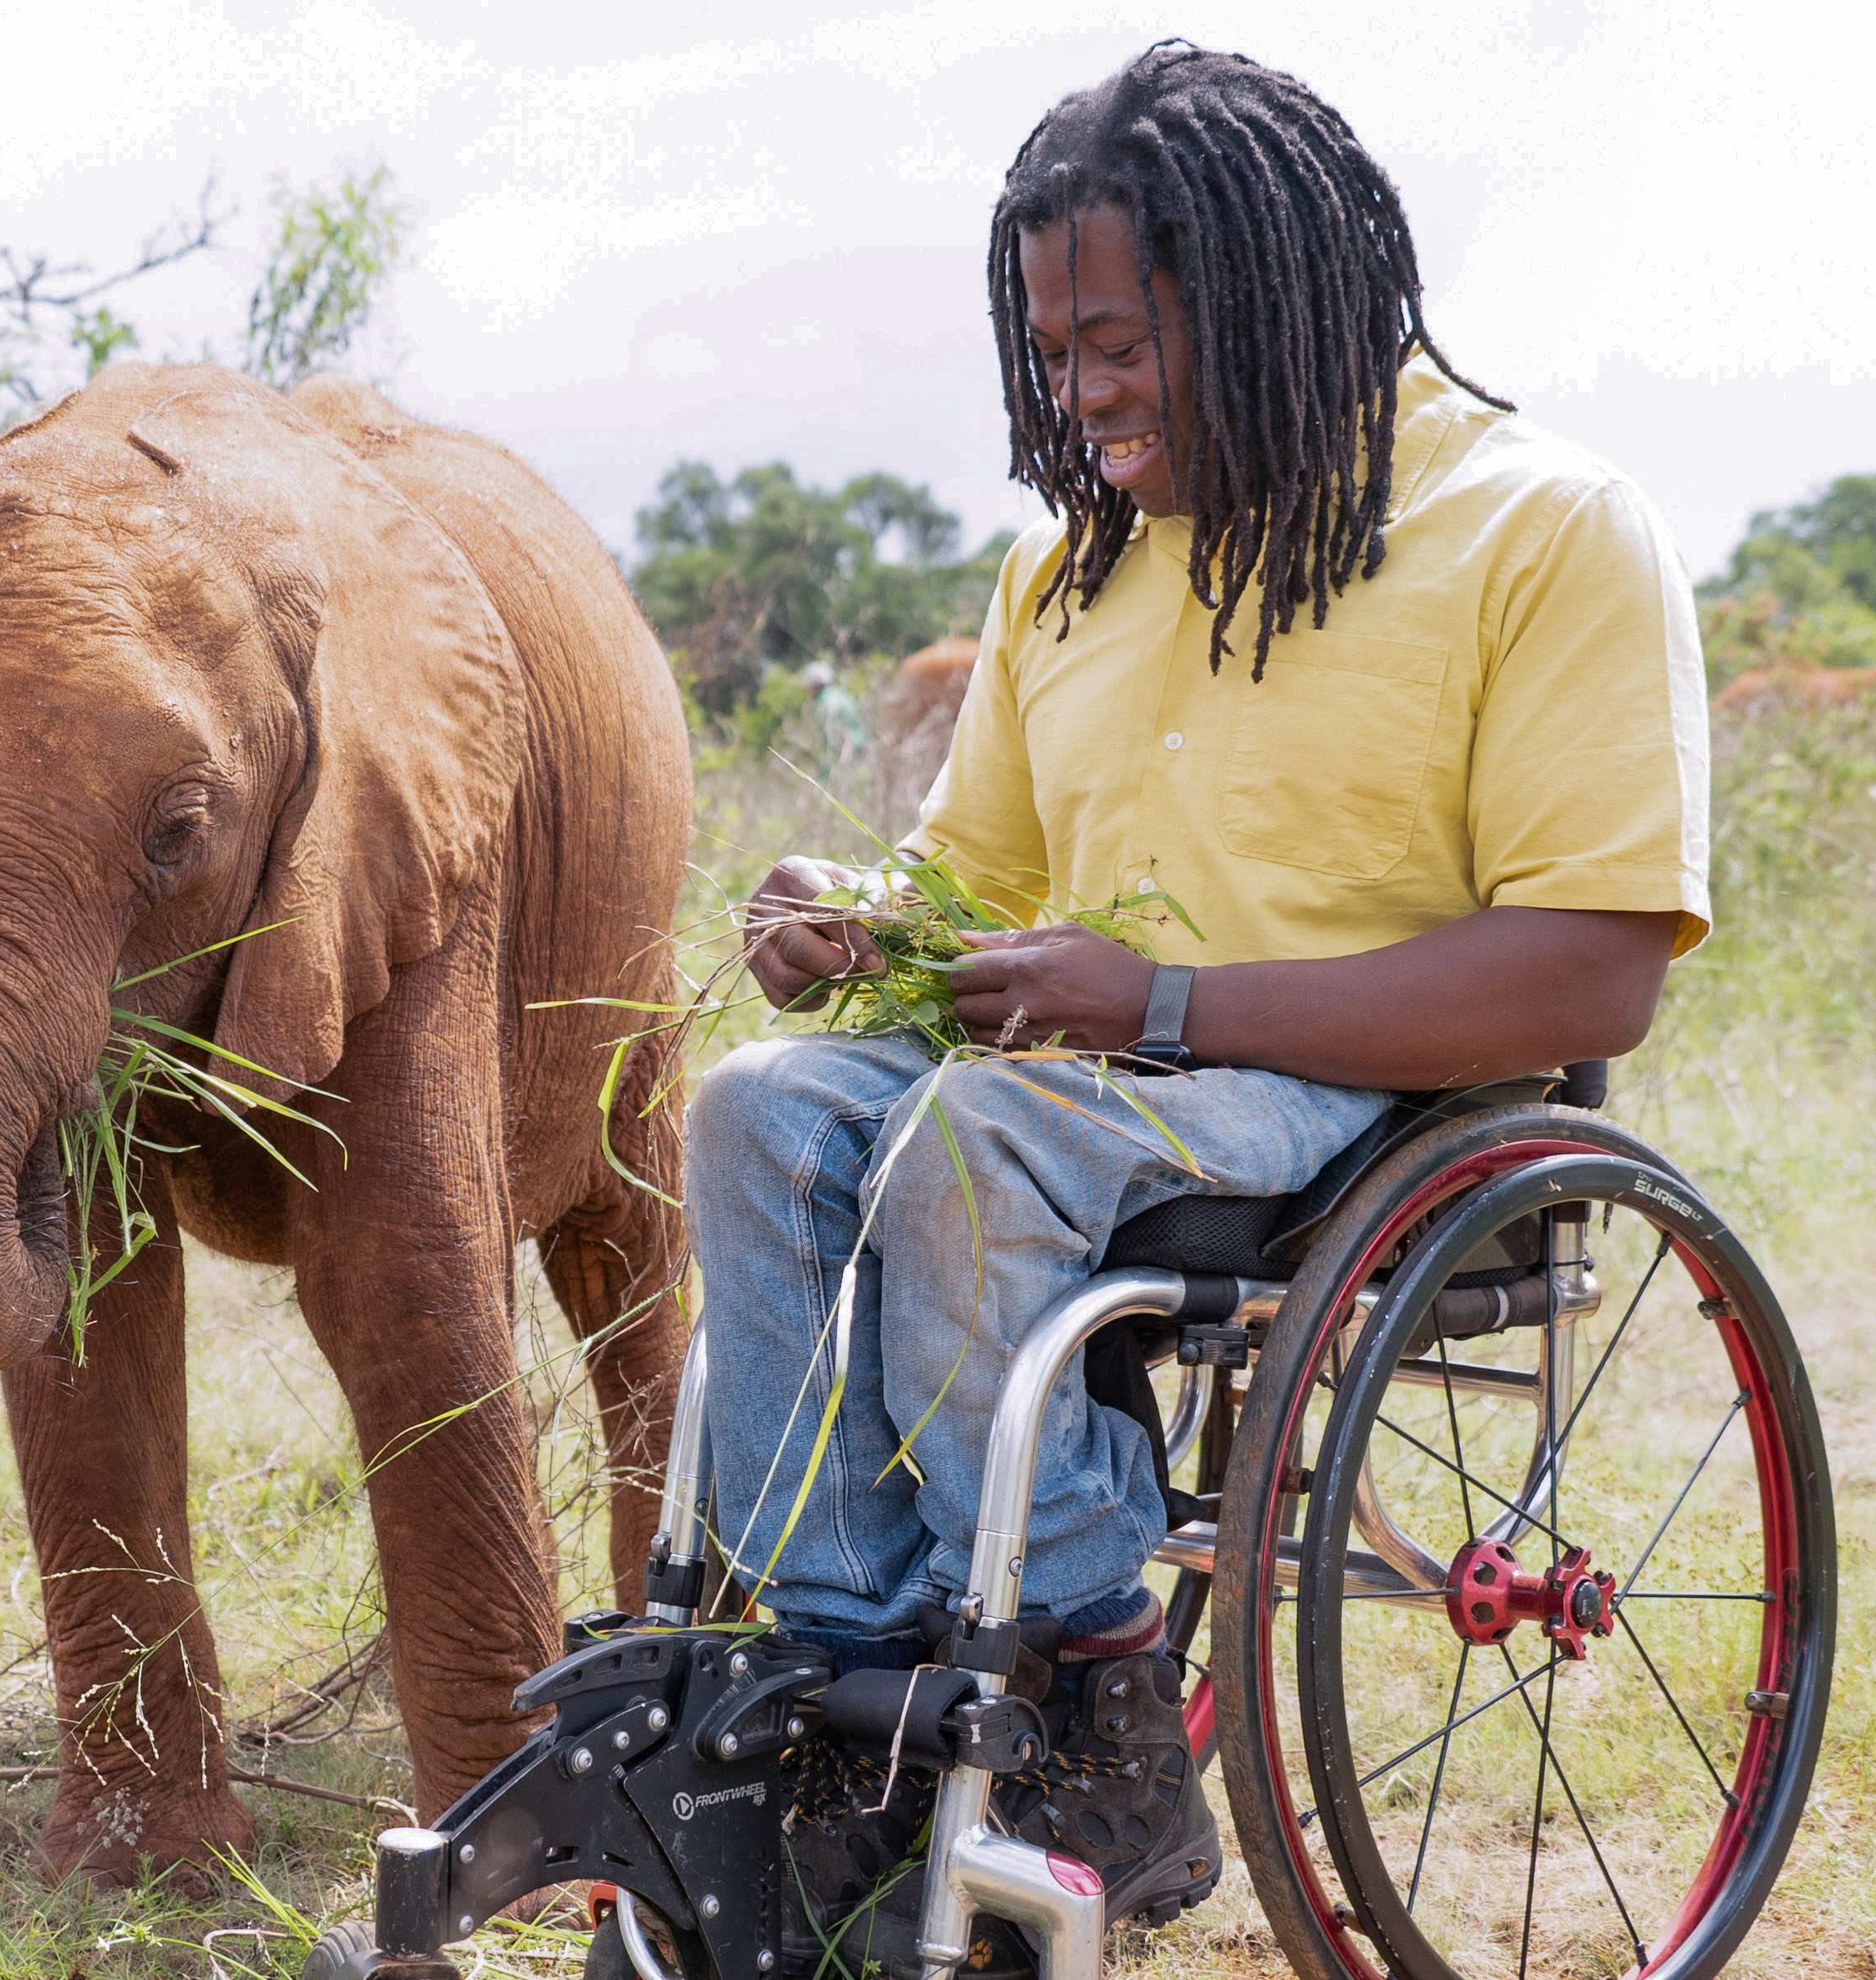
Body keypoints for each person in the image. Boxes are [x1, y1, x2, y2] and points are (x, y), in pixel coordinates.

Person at [687, 42, 1712, 1956]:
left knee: (968, 1138)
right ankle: (851, 1690)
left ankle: (1093, 1690)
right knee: (757, 1103)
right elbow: (975, 890)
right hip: (1077, 1070)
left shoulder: (1537, 526)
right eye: (1048, 354)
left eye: (1114, 347)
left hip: (1372, 1090)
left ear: (1254, 298)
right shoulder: (1066, 574)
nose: (1078, 400)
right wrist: (861, 918)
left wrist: (1159, 998)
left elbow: (1594, 964)